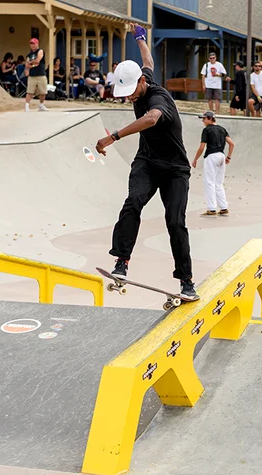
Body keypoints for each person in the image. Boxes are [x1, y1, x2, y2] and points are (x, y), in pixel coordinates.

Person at [94, 23, 199, 301]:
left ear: (142, 82)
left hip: (175, 170)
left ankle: (186, 280)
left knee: (175, 221)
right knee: (133, 202)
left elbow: (151, 119)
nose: (129, 97)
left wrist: (113, 137)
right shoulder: (143, 76)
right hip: (147, 163)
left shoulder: (158, 96)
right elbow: (148, 61)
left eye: (131, 91)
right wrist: (140, 37)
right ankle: (122, 261)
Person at [191, 111, 235, 216]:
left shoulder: (207, 130)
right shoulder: (222, 129)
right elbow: (232, 144)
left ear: (210, 118)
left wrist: (195, 159)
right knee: (219, 183)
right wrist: (228, 157)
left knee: (209, 182)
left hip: (211, 156)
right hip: (221, 156)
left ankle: (211, 208)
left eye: (204, 119)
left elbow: (201, 147)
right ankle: (224, 207)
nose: (203, 121)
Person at [24, 38, 48, 112]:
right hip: (32, 75)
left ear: (37, 44)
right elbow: (27, 65)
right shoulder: (29, 54)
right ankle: (27, 106)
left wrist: (31, 63)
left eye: (34, 43)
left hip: (41, 74)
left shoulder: (40, 51)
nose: (32, 45)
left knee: (43, 91)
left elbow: (38, 60)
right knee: (30, 91)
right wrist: (33, 65)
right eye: (31, 44)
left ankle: (41, 105)